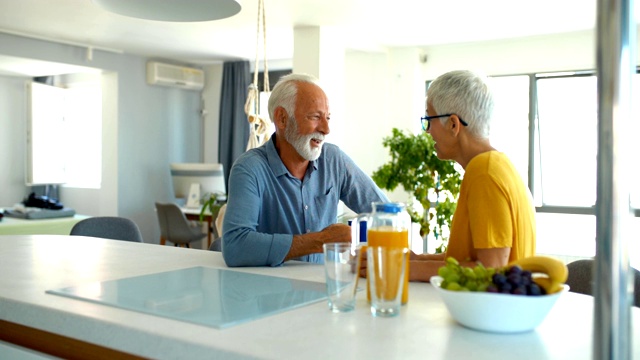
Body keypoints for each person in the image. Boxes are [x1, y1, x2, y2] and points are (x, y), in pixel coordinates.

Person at [221, 73, 389, 267]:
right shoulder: (249, 169)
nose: (326, 129)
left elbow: (386, 214)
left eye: (327, 118)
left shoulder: (334, 160)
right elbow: (235, 247)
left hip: (326, 287)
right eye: (315, 117)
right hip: (271, 292)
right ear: (282, 119)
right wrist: (321, 240)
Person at [409, 70, 536, 282]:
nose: (427, 131)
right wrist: (416, 260)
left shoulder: (484, 172)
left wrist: (407, 270)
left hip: (493, 311)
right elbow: (466, 259)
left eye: (428, 121)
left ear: (453, 124)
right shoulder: (497, 164)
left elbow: (491, 269)